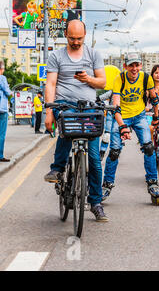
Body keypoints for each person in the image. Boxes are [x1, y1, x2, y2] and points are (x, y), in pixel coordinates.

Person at [44, 19, 109, 221]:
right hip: (65, 104)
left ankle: (96, 203)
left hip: (88, 107)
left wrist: (87, 79)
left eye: (79, 38)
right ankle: (57, 169)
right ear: (66, 35)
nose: (75, 41)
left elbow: (102, 81)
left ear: (85, 35)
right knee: (66, 127)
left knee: (95, 162)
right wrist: (48, 112)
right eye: (72, 38)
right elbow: (51, 83)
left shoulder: (93, 54)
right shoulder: (56, 55)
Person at [102, 53, 159, 203]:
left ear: (140, 65)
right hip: (122, 116)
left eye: (137, 65)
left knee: (149, 148)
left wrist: (155, 117)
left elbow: (154, 98)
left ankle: (152, 183)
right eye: (131, 65)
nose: (134, 69)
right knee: (114, 151)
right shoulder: (119, 79)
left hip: (140, 116)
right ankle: (107, 185)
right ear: (125, 66)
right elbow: (116, 106)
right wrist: (122, 126)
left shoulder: (146, 78)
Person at [0, 60, 12, 162]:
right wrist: (10, 91)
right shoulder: (2, 78)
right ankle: (0, 155)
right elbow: (7, 92)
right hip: (1, 109)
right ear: (1, 69)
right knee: (1, 133)